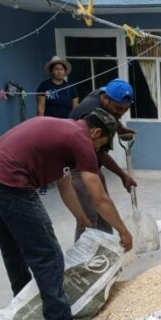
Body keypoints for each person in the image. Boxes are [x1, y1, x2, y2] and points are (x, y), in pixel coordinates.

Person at [0, 108, 133, 320]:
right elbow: (99, 199)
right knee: (48, 255)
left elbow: (65, 185)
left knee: (13, 249)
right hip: (11, 182)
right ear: (95, 132)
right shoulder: (81, 140)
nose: (97, 151)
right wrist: (123, 231)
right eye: (100, 145)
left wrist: (81, 218)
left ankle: (24, 303)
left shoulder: (63, 134)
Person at [68, 78, 137, 239]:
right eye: (118, 108)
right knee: (89, 217)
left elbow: (113, 112)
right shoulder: (91, 115)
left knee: (105, 212)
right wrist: (123, 175)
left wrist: (120, 128)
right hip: (77, 165)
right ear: (105, 99)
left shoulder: (104, 95)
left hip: (91, 162)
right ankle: (82, 253)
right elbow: (99, 153)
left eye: (126, 109)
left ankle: (108, 248)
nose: (121, 113)